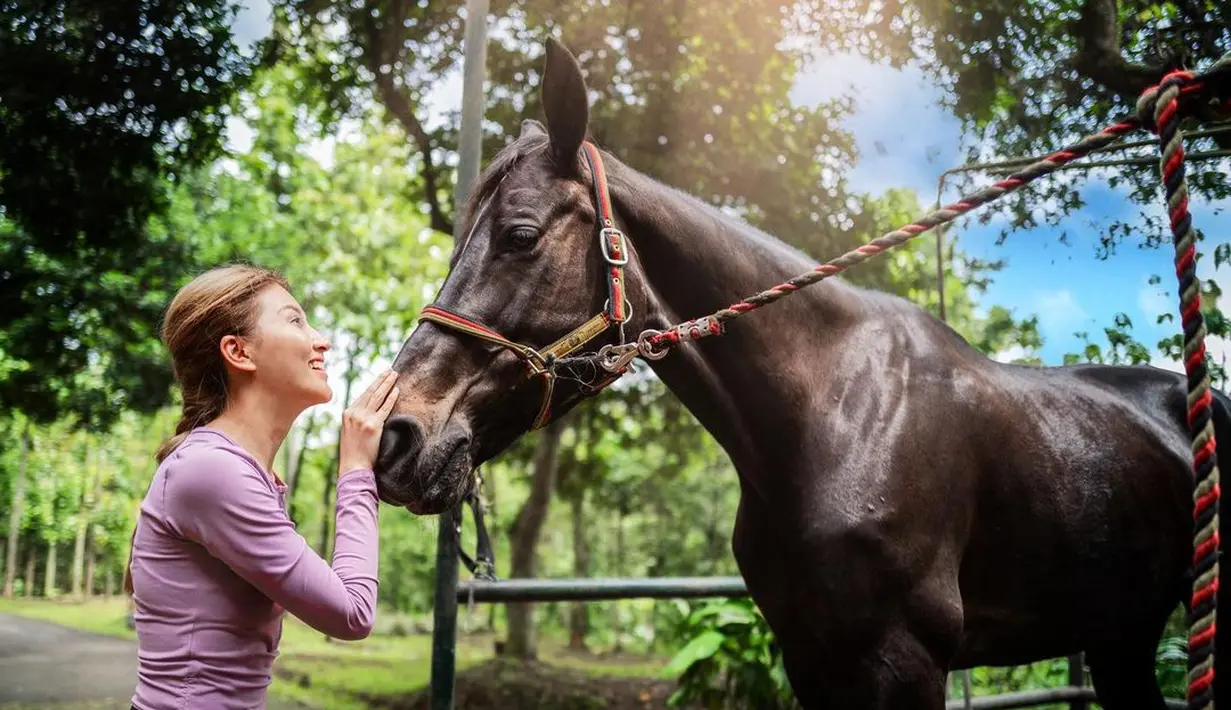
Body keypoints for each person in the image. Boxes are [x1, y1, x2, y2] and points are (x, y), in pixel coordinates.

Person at [123, 263, 398, 710]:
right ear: (238, 351)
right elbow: (352, 613)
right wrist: (355, 472)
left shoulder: (234, 469)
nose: (321, 340)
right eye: (295, 321)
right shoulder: (212, 470)